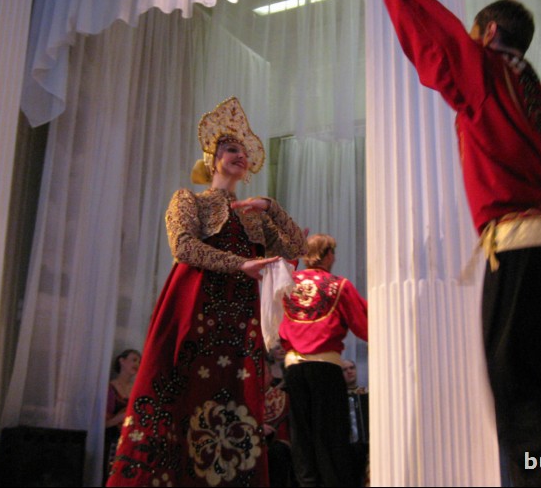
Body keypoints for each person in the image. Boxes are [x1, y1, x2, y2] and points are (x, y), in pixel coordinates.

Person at [380, 0, 541, 486]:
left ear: (489, 34)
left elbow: (438, 43)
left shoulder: (488, 72)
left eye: (477, 34)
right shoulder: (537, 95)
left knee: (515, 390)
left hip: (519, 245)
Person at [107, 97, 307, 487]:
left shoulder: (253, 215)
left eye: (244, 152)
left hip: (237, 319)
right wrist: (241, 265)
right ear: (213, 158)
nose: (240, 155)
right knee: (184, 393)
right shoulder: (189, 200)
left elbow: (297, 247)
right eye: (231, 149)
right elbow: (183, 248)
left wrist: (270, 205)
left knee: (232, 397)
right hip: (194, 309)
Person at [279, 234, 368, 487]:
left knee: (301, 436)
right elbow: (364, 325)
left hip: (294, 367)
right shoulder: (339, 285)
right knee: (330, 435)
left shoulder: (288, 283)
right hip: (325, 367)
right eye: (334, 253)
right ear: (327, 254)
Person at [103, 349, 141, 485]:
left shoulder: (137, 389)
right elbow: (104, 424)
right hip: (113, 441)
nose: (137, 364)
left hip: (132, 442)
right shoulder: (110, 388)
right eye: (133, 359)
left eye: (139, 361)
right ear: (122, 361)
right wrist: (124, 416)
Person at [264, 341, 294, 487]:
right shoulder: (243, 399)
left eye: (264, 373)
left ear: (270, 376)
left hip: (277, 446)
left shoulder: (283, 398)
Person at [341, 359, 369, 487]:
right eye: (345, 370)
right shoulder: (337, 396)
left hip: (367, 446)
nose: (349, 371)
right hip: (347, 449)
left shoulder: (367, 392)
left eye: (352, 368)